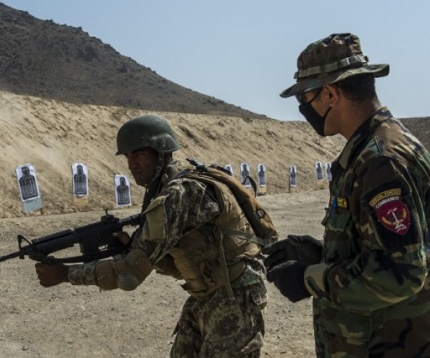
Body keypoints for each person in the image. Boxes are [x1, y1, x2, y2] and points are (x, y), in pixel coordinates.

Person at [35, 114, 268, 357]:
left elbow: (129, 274)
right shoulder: (167, 190)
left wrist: (65, 274)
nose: (132, 163)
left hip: (235, 296)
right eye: (128, 156)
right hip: (206, 294)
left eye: (139, 155)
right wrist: (132, 245)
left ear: (162, 153)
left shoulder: (180, 194)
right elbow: (170, 259)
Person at [264, 33, 430, 357]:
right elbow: (392, 246)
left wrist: (310, 278)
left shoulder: (380, 159)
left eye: (305, 99)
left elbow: (402, 273)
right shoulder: (376, 148)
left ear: (330, 94)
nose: (303, 109)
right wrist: (320, 253)